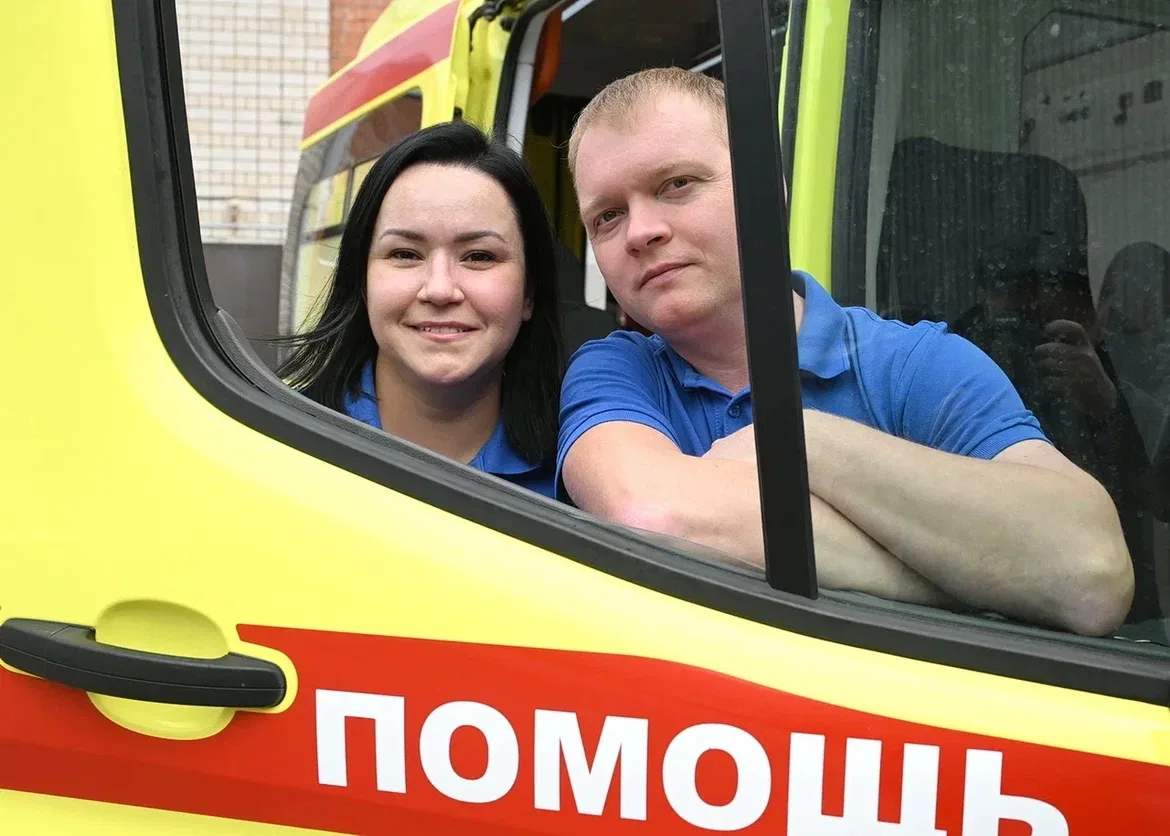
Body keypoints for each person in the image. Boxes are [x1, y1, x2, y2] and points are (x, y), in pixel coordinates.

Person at [558, 67, 1134, 636]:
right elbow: (653, 514)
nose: (640, 231)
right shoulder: (616, 369)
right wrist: (971, 576)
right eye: (607, 216)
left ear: (767, 190)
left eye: (677, 184)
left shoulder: (914, 364)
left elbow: (1091, 573)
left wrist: (801, 442)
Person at [278, 121, 564, 498]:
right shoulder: (275, 450)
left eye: (479, 256)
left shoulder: (579, 476)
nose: (440, 290)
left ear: (529, 292)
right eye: (405, 254)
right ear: (362, 282)